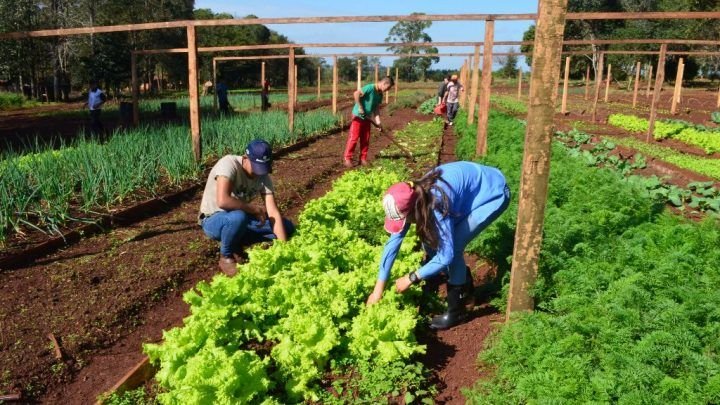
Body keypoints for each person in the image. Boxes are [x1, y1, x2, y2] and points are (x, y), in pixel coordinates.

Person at [366, 161, 511, 330]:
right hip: (472, 188)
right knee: (432, 243)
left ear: (415, 210)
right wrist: (378, 290)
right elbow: (393, 243)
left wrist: (411, 277)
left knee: (454, 248)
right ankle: (465, 284)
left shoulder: (437, 204)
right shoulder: (412, 198)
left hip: (492, 194)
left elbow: (447, 255)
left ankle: (457, 311)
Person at [198, 139, 294, 276]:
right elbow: (223, 201)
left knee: (286, 226)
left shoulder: (263, 175)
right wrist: (254, 209)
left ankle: (236, 242)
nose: (258, 173)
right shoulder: (228, 164)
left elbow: (273, 211)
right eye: (256, 167)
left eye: (262, 169)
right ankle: (226, 256)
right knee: (238, 217)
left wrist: (284, 250)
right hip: (214, 220)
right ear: (245, 158)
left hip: (242, 223)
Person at [343, 76, 394, 168]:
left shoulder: (380, 94)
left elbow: (376, 109)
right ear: (384, 84)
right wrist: (360, 107)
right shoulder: (370, 88)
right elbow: (356, 93)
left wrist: (378, 123)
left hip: (367, 118)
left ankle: (363, 159)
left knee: (365, 139)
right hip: (358, 116)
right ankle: (347, 159)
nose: (387, 90)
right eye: (388, 88)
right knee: (354, 138)